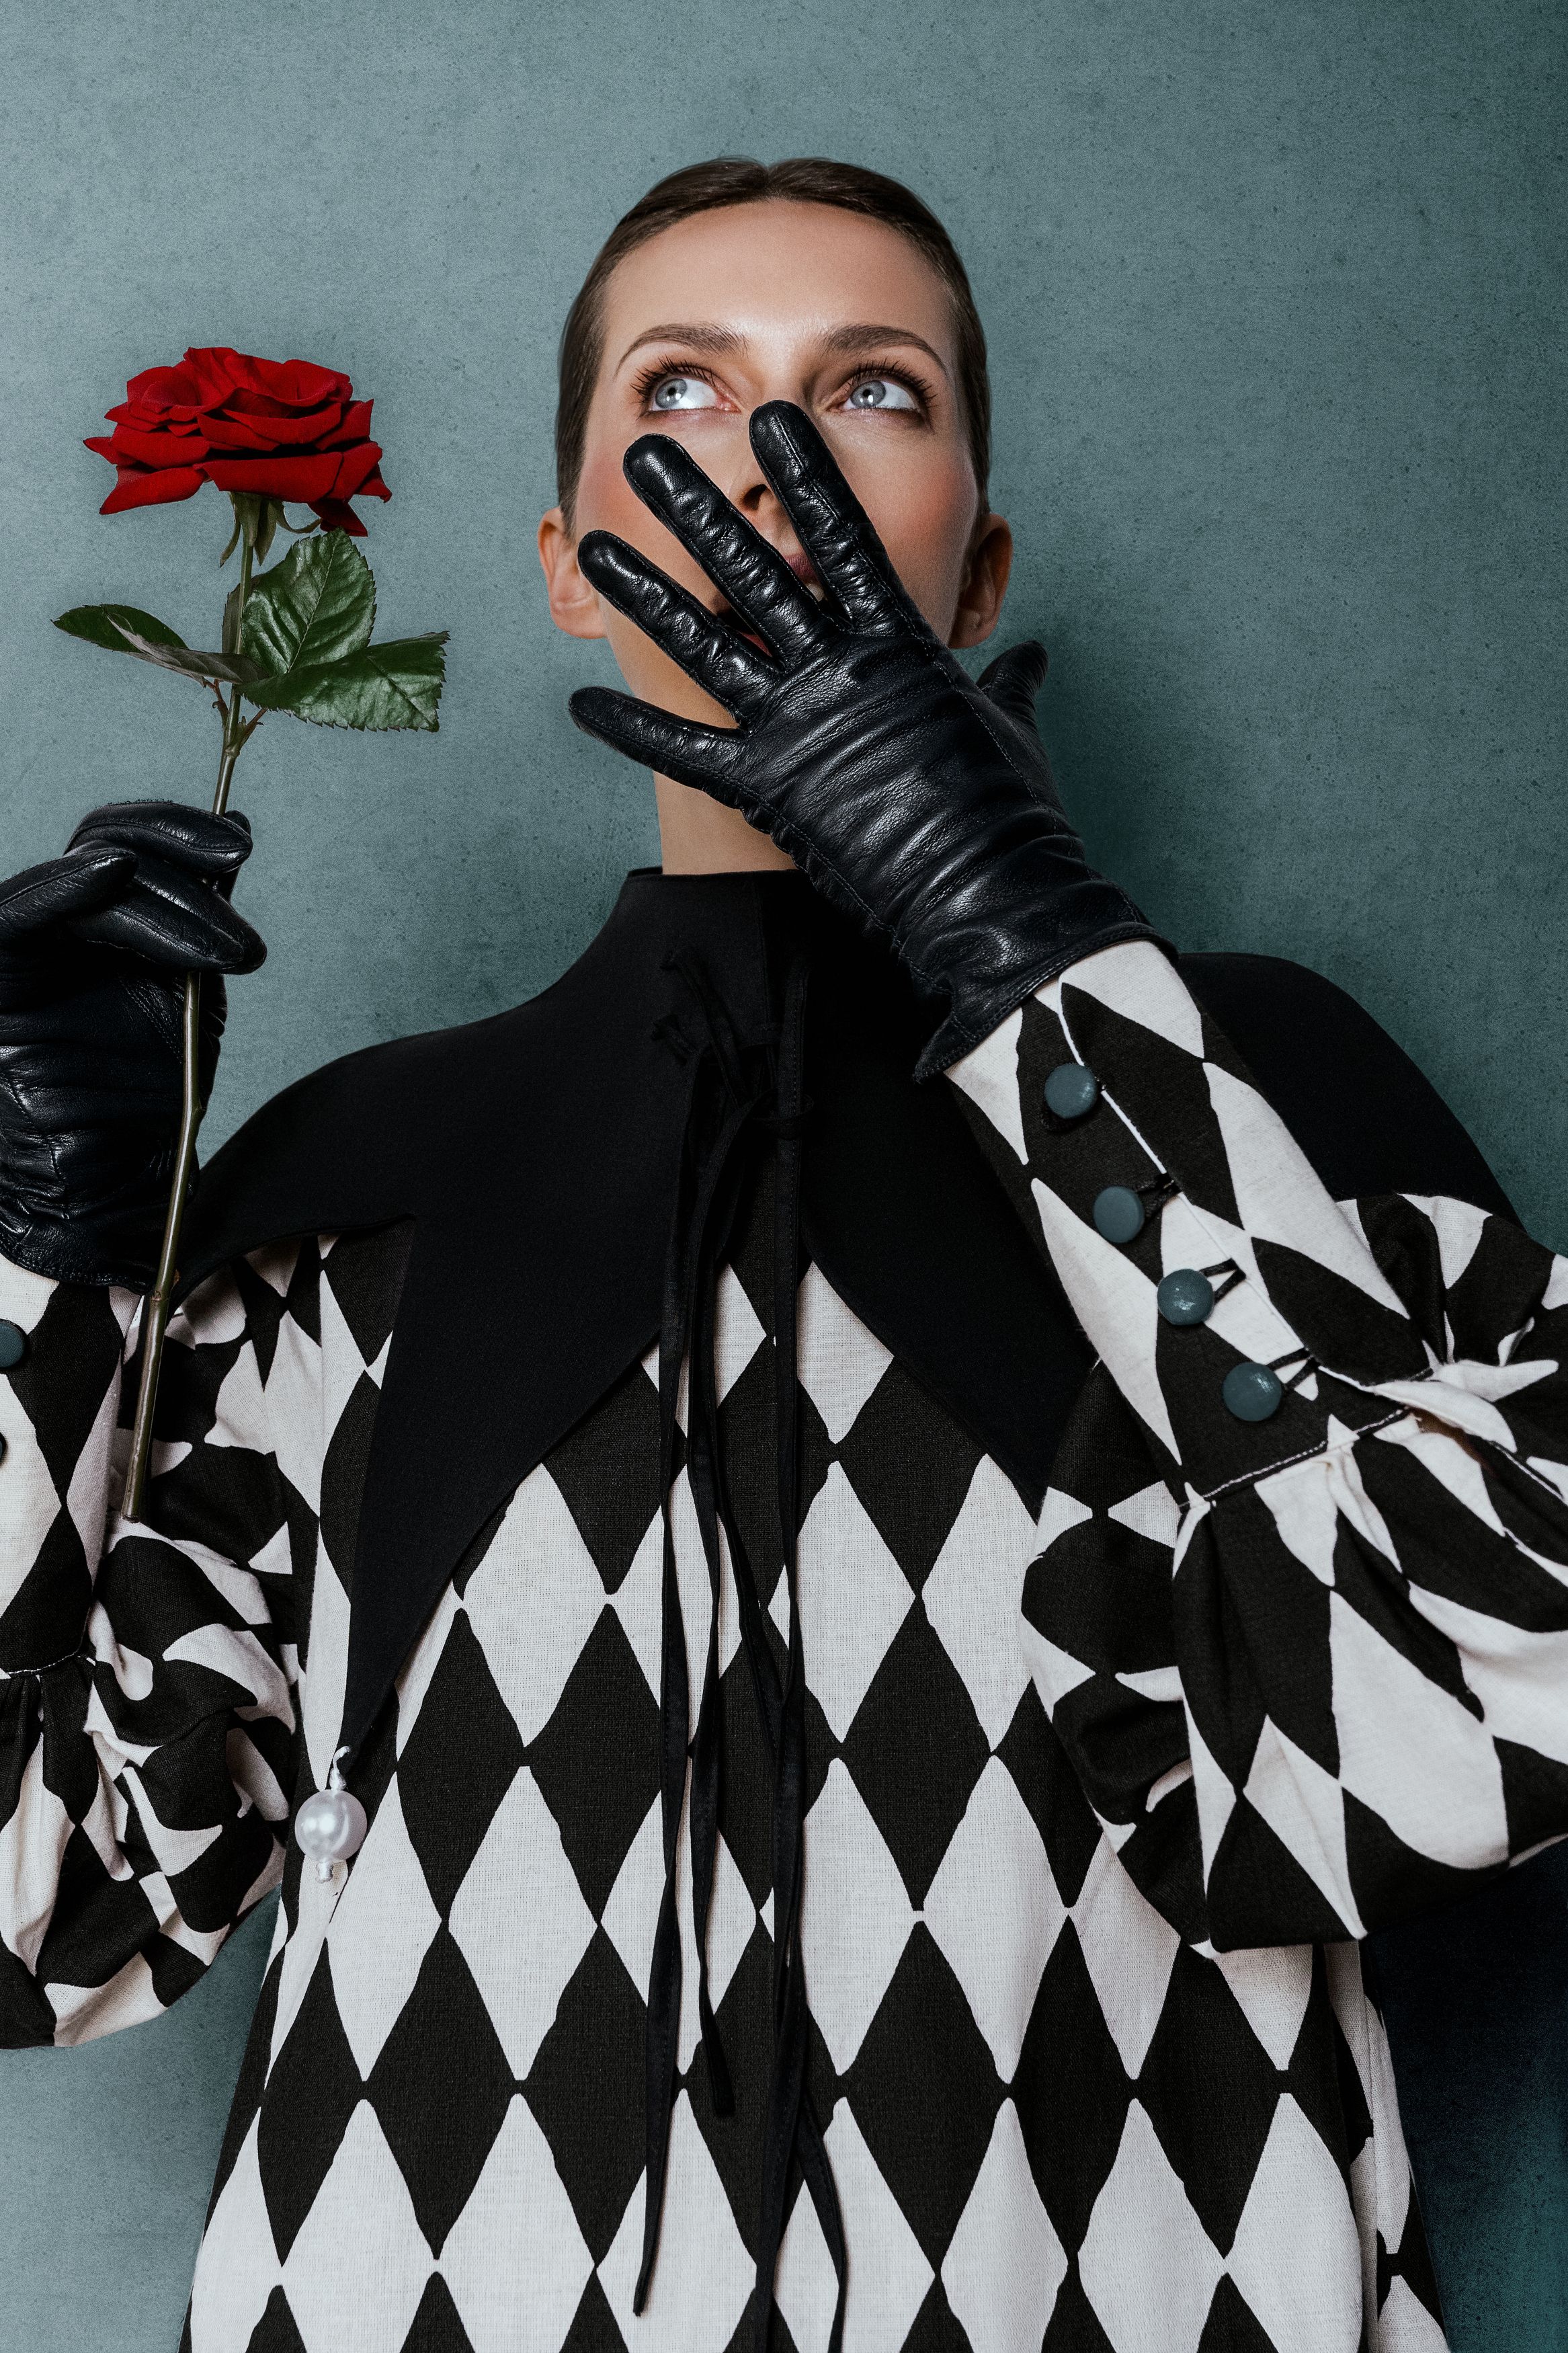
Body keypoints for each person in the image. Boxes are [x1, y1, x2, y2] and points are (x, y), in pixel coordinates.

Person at [0, 155, 1562, 2353]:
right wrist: (40, 1274)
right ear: (567, 564)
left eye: (873, 391)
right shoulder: (361, 1178)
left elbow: (1484, 1711)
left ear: (979, 558)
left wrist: (1041, 973)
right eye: (681, 388)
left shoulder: (1263, 1086)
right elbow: (45, 1914)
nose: (772, 456)